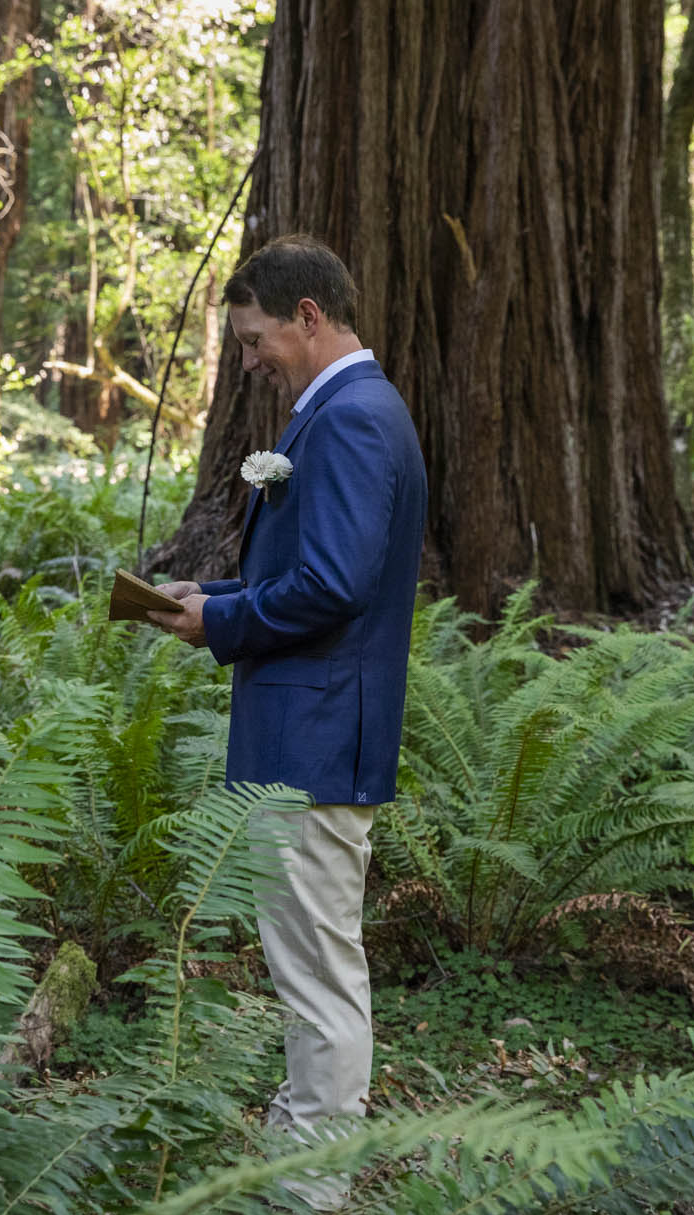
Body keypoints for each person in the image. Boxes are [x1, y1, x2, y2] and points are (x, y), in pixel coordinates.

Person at [147, 236, 426, 1166]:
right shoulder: (346, 408)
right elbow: (311, 573)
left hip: (316, 735)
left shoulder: (348, 417)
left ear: (309, 317)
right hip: (306, 732)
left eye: (255, 337)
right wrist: (213, 598)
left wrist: (221, 629)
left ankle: (314, 1185)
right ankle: (303, 1145)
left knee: (318, 970)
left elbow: (336, 586)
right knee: (305, 958)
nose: (248, 359)